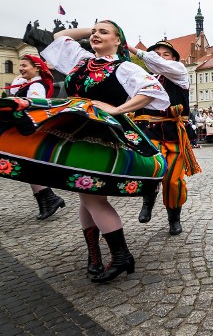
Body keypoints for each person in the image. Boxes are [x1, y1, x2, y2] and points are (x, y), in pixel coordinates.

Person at [0, 21, 170, 283]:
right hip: (76, 128)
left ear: (118, 40)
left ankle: (121, 256)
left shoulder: (123, 67)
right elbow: (60, 36)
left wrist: (116, 110)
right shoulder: (81, 60)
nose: (95, 35)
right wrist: (92, 27)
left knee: (93, 198)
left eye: (103, 32)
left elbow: (153, 91)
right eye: (93, 32)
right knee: (85, 195)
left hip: (101, 134)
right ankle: (95, 254)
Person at [130, 40, 201, 236]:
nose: (161, 57)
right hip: (148, 132)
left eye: (166, 54)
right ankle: (148, 198)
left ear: (175, 59)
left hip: (174, 134)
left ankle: (174, 217)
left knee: (173, 180)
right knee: (150, 169)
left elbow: (160, 64)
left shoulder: (179, 73)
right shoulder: (143, 78)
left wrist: (134, 49)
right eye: (157, 53)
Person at [5, 55, 66, 220]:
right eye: (20, 65)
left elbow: (35, 106)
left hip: (28, 130)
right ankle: (48, 198)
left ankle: (49, 198)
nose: (20, 68)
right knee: (25, 165)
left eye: (24, 65)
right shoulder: (29, 84)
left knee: (24, 165)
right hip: (23, 129)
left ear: (36, 68)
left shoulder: (37, 86)